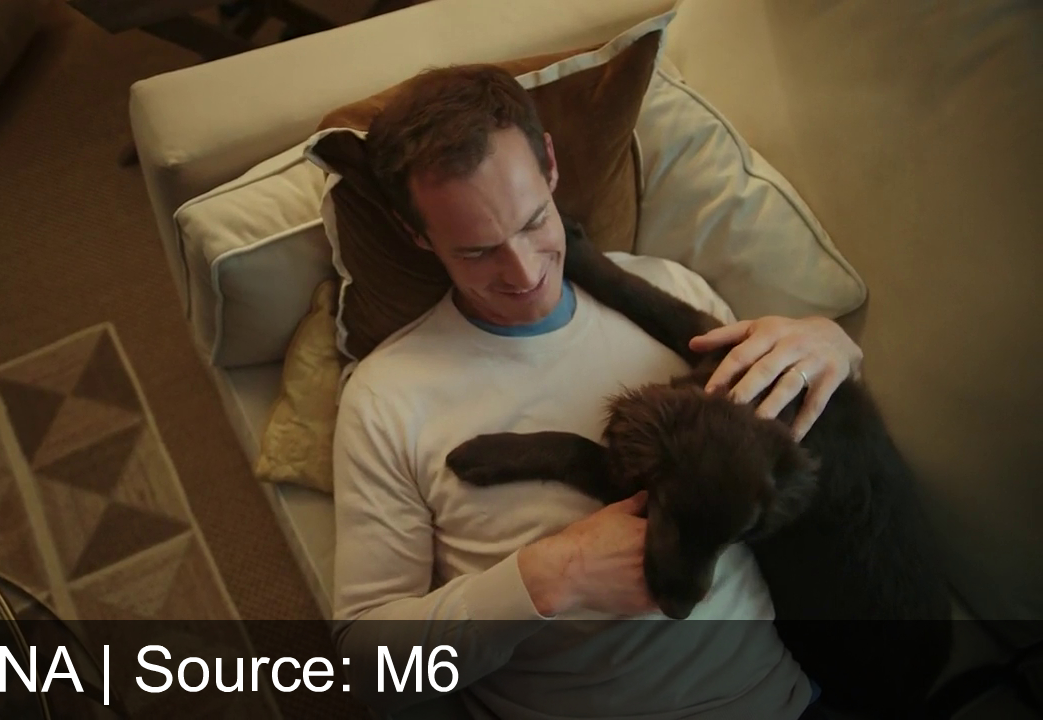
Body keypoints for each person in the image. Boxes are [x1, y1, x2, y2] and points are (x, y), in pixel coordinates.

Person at [329, 63, 863, 720]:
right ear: (417, 235)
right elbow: (368, 670)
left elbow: (801, 468)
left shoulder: (670, 292)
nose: (523, 272)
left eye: (534, 221)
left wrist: (833, 351)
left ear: (551, 165)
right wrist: (547, 578)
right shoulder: (386, 398)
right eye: (476, 251)